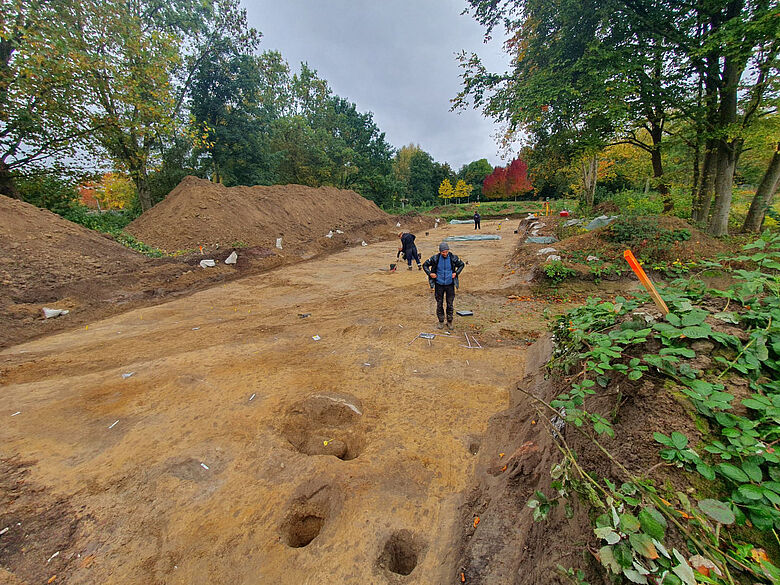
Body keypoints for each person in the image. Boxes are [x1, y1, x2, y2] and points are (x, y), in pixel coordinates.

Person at [423, 242, 465, 330]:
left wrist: (456, 273)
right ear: (440, 252)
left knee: (450, 304)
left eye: (446, 252)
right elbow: (425, 265)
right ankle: (441, 321)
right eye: (443, 252)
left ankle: (449, 321)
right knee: (439, 303)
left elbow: (462, 264)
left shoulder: (453, 258)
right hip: (439, 285)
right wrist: (430, 274)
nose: (445, 254)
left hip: (450, 285)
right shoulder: (435, 258)